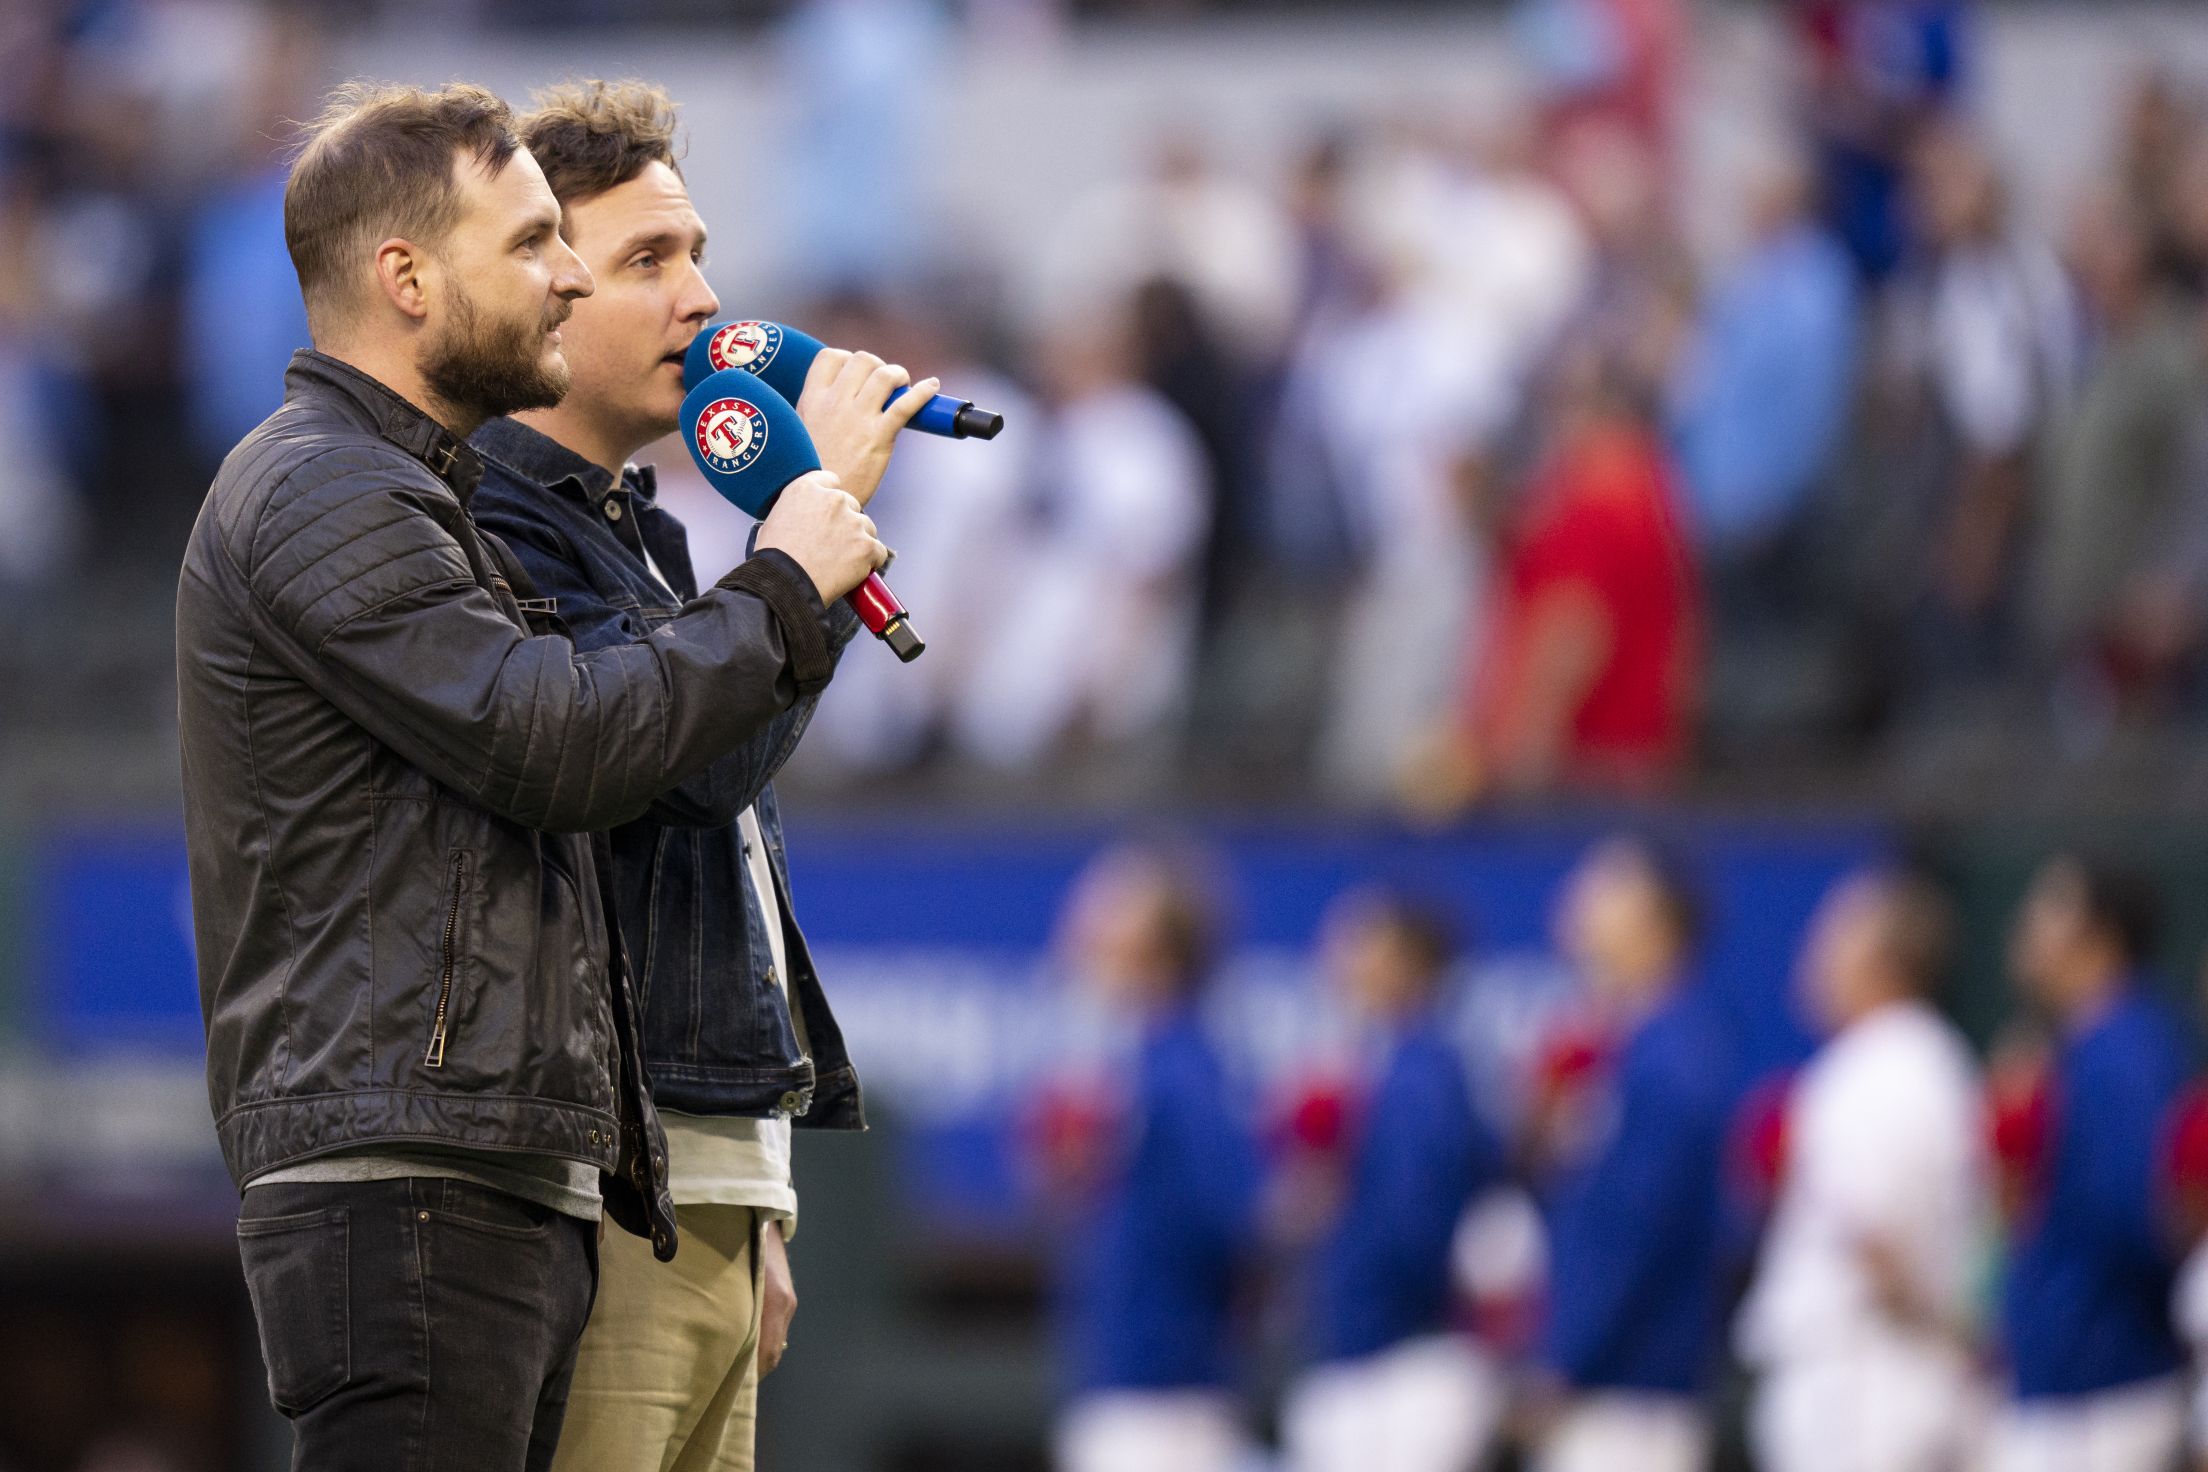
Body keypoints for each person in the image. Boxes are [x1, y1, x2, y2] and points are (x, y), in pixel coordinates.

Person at [176, 83, 887, 1470]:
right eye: (533, 246)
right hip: (410, 1173)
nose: (562, 276)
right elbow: (562, 743)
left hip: (490, 1169)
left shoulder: (414, 494)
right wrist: (791, 581)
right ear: (407, 278)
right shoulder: (332, 490)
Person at [456, 80, 929, 1472]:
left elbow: (717, 838)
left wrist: (753, 1197)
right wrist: (811, 535)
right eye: (650, 260)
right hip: (603, 1196)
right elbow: (689, 773)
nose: (705, 301)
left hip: (705, 1192)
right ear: (541, 283)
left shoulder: (648, 535)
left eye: (701, 254)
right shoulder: (483, 525)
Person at [1735, 869, 1990, 1472]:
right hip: (1888, 1373)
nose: (1814, 954)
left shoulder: (1879, 1065)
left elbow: (1876, 1242)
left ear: (1880, 957)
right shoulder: (1924, 1055)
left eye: (1833, 936)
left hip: (1861, 1381)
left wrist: (1942, 1341)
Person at [1029, 845, 1262, 1472]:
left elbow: (1234, 1223)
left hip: (1166, 1406)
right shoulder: (1133, 1062)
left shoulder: (1183, 1069)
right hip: (1129, 1389)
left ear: (1155, 949)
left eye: (1107, 921)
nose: (1081, 935)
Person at [1519, 836, 1733, 1472]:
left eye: (1605, 886)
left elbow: (1640, 1227)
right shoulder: (1624, 1045)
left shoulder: (1673, 1056)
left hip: (1631, 1402)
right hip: (1610, 1392)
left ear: (1654, 920)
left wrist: (1567, 1359)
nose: (1578, 898)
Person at [1280, 889, 1508, 1472]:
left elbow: (1418, 1229)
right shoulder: (1387, 1065)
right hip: (1378, 1361)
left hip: (1405, 1367)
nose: (1337, 955)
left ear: (1406, 961)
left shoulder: (1423, 1073)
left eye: (1360, 941)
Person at [1988, 855, 2194, 1472]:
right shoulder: (2084, 1046)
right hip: (2073, 1388)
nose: (2026, 924)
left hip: (2103, 1395)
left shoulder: (2121, 1051)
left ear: (2097, 934)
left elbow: (2145, 1226)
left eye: (2049, 906)